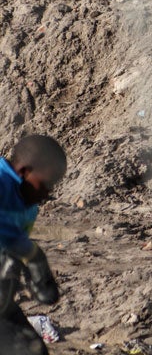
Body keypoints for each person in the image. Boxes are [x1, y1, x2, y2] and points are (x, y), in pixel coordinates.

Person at [0, 134, 67, 355]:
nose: (48, 193)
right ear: (24, 172)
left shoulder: (28, 205)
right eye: (46, 184)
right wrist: (33, 256)